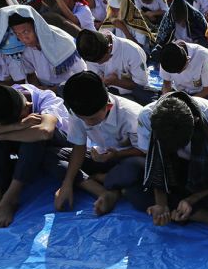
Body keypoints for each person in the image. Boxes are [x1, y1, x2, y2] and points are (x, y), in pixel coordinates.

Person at [137, 90, 208, 246]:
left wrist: (191, 200)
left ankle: (194, 211)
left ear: (195, 122)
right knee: (137, 193)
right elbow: (155, 166)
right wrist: (161, 204)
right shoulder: (147, 117)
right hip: (172, 169)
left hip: (204, 170)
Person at [0, 83, 69, 229]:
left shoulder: (46, 99)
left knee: (32, 132)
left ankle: (11, 196)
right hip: (21, 139)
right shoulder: (4, 97)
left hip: (55, 144)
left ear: (28, 106)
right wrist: (16, 126)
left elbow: (45, 131)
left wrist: (3, 133)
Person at [51, 71, 146, 216]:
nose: (88, 123)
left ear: (107, 106)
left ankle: (106, 181)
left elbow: (145, 152)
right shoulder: (78, 111)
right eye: (83, 119)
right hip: (103, 158)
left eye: (93, 119)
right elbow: (79, 147)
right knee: (51, 155)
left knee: (135, 170)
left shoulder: (131, 116)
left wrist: (117, 154)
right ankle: (103, 190)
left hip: (128, 160)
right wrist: (67, 184)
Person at [75, 29, 156, 106]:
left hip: (131, 95)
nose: (98, 63)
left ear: (109, 48)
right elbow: (96, 78)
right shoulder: (91, 50)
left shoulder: (132, 51)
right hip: (106, 93)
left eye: (101, 61)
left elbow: (140, 87)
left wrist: (116, 81)